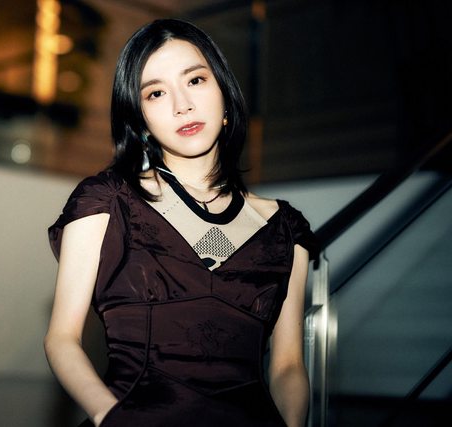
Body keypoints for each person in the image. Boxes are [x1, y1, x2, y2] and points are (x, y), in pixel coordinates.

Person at [44, 18, 317, 427]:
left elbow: (288, 366)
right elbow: (62, 339)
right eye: (156, 92)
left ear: (225, 93)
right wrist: (109, 415)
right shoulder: (105, 201)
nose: (181, 105)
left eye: (195, 80)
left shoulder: (284, 229)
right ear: (140, 118)